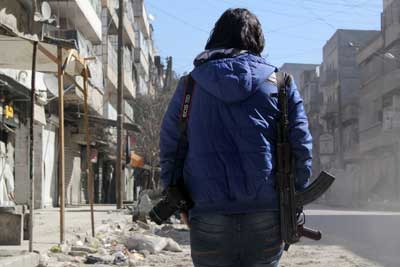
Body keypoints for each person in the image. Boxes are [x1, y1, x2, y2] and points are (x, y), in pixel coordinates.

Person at [160, 8, 312, 267]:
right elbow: (301, 147)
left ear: (216, 37)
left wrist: (180, 201)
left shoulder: (190, 86)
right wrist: (292, 199)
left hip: (207, 213)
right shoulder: (280, 83)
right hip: (266, 213)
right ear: (257, 40)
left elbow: (171, 148)